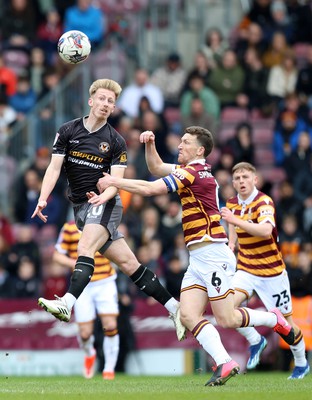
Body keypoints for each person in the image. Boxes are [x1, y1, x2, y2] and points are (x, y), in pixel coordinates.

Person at [89, 126, 295, 386]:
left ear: (199, 150)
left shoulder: (194, 173)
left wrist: (115, 181)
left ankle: (272, 318)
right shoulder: (190, 171)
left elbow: (152, 189)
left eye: (185, 143)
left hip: (213, 254)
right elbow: (155, 168)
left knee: (227, 318)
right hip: (197, 258)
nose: (180, 145)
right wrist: (150, 144)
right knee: (187, 315)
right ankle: (225, 362)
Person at [31, 78, 185, 343]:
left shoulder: (115, 141)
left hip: (106, 204)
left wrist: (105, 197)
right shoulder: (67, 131)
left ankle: (67, 303)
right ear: (91, 101)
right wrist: (43, 198)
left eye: (110, 101)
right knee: (130, 264)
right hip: (81, 207)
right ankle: (175, 308)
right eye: (101, 98)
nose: (105, 104)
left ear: (113, 108)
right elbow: (54, 168)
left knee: (85, 247)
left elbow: (116, 182)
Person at [221, 161, 310, 380]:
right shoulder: (232, 203)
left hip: (272, 273)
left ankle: (300, 363)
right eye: (238, 178)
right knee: (225, 309)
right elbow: (233, 225)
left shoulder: (264, 202)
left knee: (286, 327)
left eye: (245, 177)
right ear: (233, 183)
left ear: (255, 180)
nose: (241, 181)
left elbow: (265, 230)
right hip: (246, 269)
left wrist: (235, 220)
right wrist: (232, 244)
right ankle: (255, 340)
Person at [53, 220, 119, 380]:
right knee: (85, 333)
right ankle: (90, 354)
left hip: (105, 280)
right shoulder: (69, 227)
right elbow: (57, 255)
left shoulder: (105, 222)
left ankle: (109, 369)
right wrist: (76, 263)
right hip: (83, 285)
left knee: (110, 325)